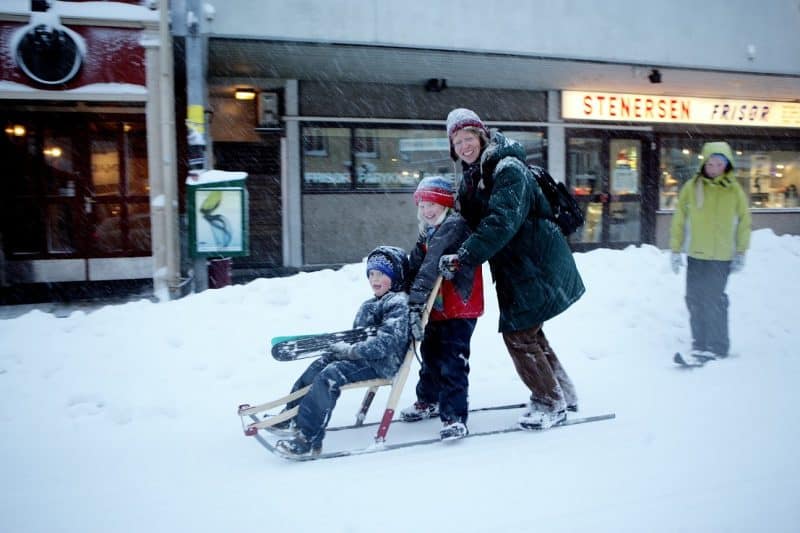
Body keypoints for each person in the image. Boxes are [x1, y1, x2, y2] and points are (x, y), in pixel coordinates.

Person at [438, 108, 585, 430]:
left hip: (537, 261)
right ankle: (564, 392)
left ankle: (550, 402)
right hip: (518, 264)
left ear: (481, 135)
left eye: (468, 137)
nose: (464, 146)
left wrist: (465, 255)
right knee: (530, 331)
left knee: (519, 334)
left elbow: (501, 222)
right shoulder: (475, 175)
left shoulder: (507, 169)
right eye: (457, 141)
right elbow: (469, 219)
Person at [275, 246, 411, 456]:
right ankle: (289, 414)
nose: (374, 279)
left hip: (381, 364)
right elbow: (361, 335)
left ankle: (307, 437)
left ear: (397, 276)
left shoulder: (398, 304)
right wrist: (344, 350)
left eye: (381, 274)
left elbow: (386, 343)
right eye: (371, 273)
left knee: (330, 376)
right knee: (320, 364)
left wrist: (351, 351)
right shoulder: (372, 304)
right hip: (363, 358)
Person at [399, 176, 484, 441]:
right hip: (437, 307)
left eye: (432, 203)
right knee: (431, 355)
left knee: (452, 362)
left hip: (459, 306)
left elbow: (429, 267)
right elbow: (414, 266)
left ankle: (455, 417)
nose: (427, 210)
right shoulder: (429, 231)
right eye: (423, 205)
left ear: (445, 203)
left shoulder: (454, 226)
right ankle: (428, 400)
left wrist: (414, 300)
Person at [669, 141, 751, 360]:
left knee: (714, 300)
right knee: (694, 299)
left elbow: (744, 222)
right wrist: (675, 250)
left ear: (727, 166)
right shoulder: (692, 187)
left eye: (719, 164)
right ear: (704, 163)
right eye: (711, 163)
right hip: (696, 254)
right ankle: (700, 342)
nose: (714, 168)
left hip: (721, 257)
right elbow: (679, 219)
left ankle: (718, 346)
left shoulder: (734, 192)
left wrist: (741, 251)